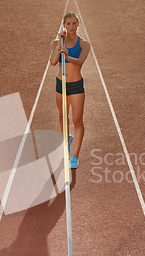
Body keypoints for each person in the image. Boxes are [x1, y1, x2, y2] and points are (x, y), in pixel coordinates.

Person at [50, 12, 90, 168]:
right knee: (62, 115)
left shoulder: (84, 44)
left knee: (77, 121)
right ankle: (66, 140)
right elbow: (53, 62)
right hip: (61, 85)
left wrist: (67, 57)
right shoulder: (56, 43)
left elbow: (79, 62)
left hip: (76, 86)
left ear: (78, 24)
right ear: (64, 25)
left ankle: (74, 155)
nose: (71, 27)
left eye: (74, 23)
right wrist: (60, 44)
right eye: (68, 24)